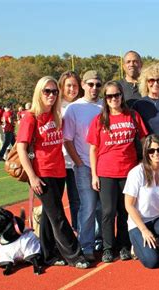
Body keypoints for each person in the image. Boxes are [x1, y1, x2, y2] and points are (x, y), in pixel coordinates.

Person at [17, 76, 89, 269]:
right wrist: (32, 177)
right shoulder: (30, 117)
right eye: (46, 91)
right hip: (42, 173)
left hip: (59, 171)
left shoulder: (56, 115)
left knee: (50, 216)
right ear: (39, 93)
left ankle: (49, 253)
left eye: (54, 91)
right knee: (57, 215)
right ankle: (75, 255)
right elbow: (21, 149)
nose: (51, 95)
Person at [87, 80, 148, 263]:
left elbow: (144, 140)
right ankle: (108, 247)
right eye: (109, 96)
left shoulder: (133, 115)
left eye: (117, 95)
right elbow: (93, 149)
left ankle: (123, 245)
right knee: (107, 211)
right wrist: (94, 175)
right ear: (105, 99)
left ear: (122, 96)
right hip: (106, 171)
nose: (113, 99)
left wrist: (142, 162)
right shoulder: (100, 120)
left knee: (124, 211)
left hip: (128, 171)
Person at [63, 70, 104, 261]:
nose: (94, 88)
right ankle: (85, 245)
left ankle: (102, 240)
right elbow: (68, 140)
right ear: (83, 85)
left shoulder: (105, 105)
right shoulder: (74, 108)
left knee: (103, 208)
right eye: (90, 84)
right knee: (87, 207)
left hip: (104, 165)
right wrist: (78, 163)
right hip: (84, 165)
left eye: (98, 84)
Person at [124, 134, 159, 268]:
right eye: (151, 150)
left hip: (158, 218)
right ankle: (138, 245)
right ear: (146, 153)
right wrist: (143, 230)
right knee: (152, 262)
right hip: (139, 223)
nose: (156, 153)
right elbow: (129, 205)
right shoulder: (137, 173)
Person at [59, 71, 82, 232]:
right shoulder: (55, 104)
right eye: (68, 85)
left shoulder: (81, 104)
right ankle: (57, 239)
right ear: (62, 86)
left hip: (76, 160)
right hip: (58, 161)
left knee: (77, 200)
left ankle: (78, 232)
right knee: (55, 203)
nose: (72, 89)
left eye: (75, 85)